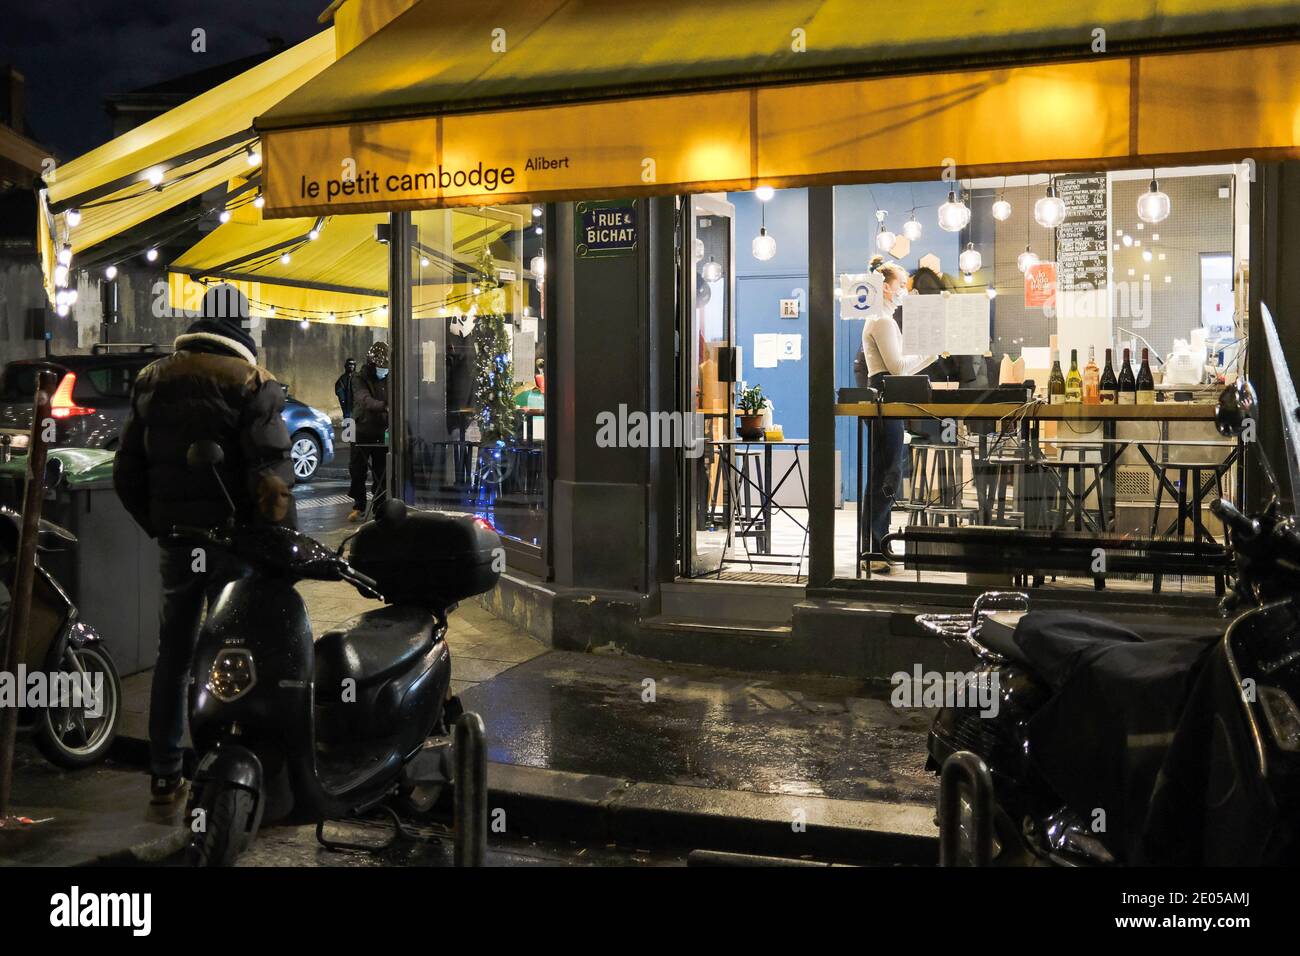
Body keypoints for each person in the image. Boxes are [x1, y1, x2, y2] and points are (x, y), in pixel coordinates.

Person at [112, 284, 296, 805]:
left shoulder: (153, 380)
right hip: (236, 544)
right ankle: (232, 768)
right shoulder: (253, 383)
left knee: (174, 652)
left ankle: (166, 771)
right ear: (241, 327)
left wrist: (162, 525)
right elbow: (272, 484)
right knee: (240, 649)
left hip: (179, 543)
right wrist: (278, 543)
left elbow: (126, 474)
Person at [860, 256, 935, 573]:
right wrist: (931, 352)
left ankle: (878, 547)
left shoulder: (881, 320)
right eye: (901, 286)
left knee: (885, 474)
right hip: (884, 402)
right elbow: (898, 368)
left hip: (886, 401)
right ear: (887, 288)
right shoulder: (882, 321)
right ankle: (875, 550)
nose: (905, 292)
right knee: (885, 475)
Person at [348, 341, 390, 521]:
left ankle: (380, 504)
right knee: (358, 468)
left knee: (382, 469)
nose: (383, 369)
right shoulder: (359, 378)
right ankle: (359, 504)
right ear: (372, 363)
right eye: (380, 366)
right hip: (362, 428)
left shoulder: (389, 377)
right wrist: (385, 406)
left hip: (382, 429)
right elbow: (364, 399)